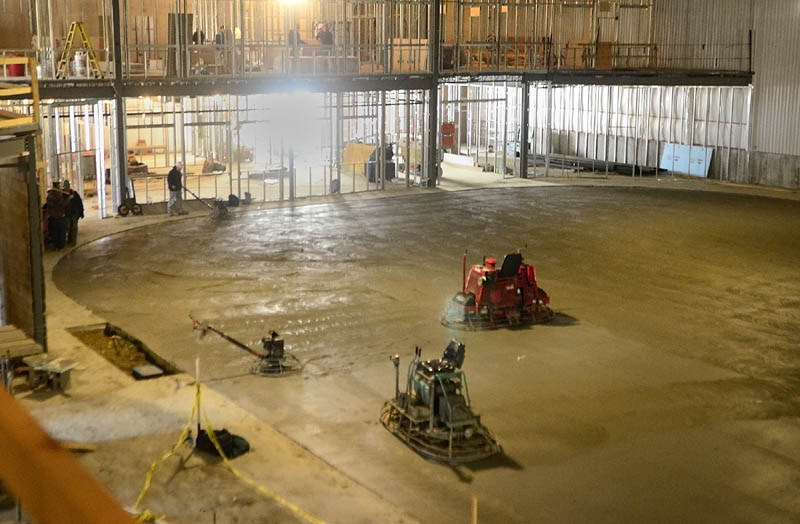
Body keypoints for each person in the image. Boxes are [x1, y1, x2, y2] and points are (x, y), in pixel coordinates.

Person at [45, 181, 67, 250]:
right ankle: (60, 246)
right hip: (59, 216)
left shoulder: (49, 195)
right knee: (61, 232)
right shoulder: (58, 195)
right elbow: (61, 205)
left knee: (55, 232)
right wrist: (68, 199)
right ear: (57, 186)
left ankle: (57, 246)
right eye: (59, 186)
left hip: (53, 217)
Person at [62, 180, 84, 246]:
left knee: (74, 228)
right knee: (68, 228)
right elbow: (62, 205)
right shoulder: (62, 195)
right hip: (66, 215)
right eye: (65, 186)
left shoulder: (74, 194)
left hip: (74, 214)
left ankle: (73, 242)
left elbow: (79, 203)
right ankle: (69, 241)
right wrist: (68, 199)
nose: (67, 188)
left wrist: (81, 212)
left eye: (68, 186)